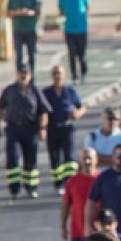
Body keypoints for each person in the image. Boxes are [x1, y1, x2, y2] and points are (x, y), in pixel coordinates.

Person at [0, 65, 49, 201]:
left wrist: (42, 129)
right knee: (13, 157)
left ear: (30, 75)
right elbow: (0, 108)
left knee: (30, 160)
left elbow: (43, 111)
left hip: (31, 130)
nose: (23, 76)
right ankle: (14, 189)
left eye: (26, 73)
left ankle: (31, 188)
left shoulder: (35, 91)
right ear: (17, 74)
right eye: (21, 73)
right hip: (14, 129)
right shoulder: (10, 90)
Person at [43, 64, 86, 192]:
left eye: (60, 73)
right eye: (55, 73)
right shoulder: (46, 93)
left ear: (64, 75)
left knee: (69, 157)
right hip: (52, 128)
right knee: (54, 157)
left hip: (67, 127)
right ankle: (58, 183)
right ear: (51, 76)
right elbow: (41, 110)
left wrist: (78, 113)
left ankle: (70, 182)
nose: (57, 76)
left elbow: (82, 107)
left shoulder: (70, 91)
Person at [58, 0, 91, 84]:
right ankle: (74, 75)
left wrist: (83, 17)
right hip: (69, 29)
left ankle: (84, 73)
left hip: (82, 29)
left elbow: (87, 7)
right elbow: (61, 11)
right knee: (71, 53)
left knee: (82, 54)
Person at [6, 0, 41, 72]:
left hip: (30, 30)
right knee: (19, 55)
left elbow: (37, 11)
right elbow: (8, 13)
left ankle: (31, 75)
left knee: (31, 54)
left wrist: (29, 12)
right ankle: (20, 75)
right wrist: (16, 13)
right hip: (18, 30)